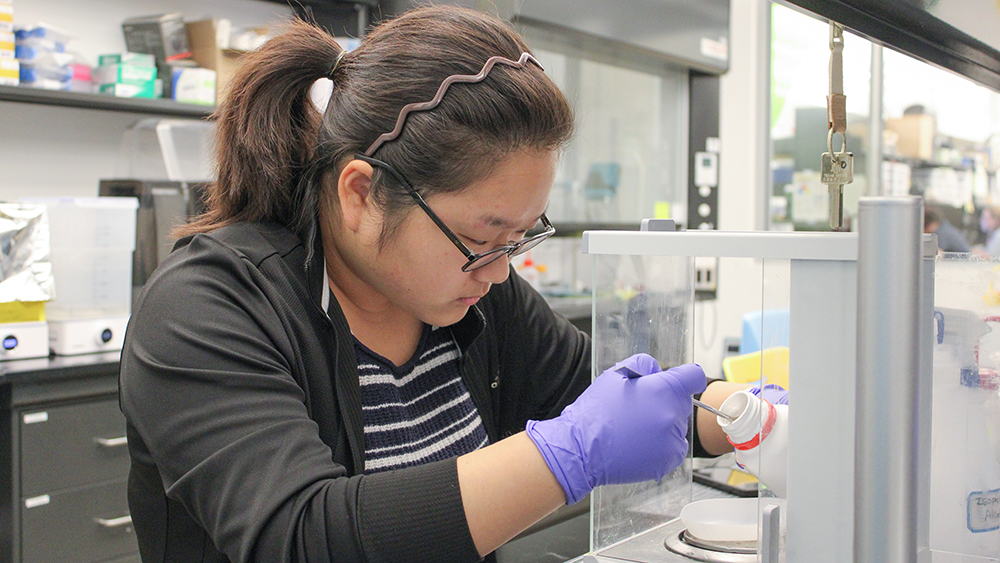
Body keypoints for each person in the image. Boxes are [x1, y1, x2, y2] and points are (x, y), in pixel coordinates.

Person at [118, 7, 767, 563]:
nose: (500, 269)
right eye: (482, 237)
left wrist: (744, 417)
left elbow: (614, 399)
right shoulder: (208, 305)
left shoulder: (477, 291)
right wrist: (565, 456)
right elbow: (300, 534)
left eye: (521, 235)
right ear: (362, 194)